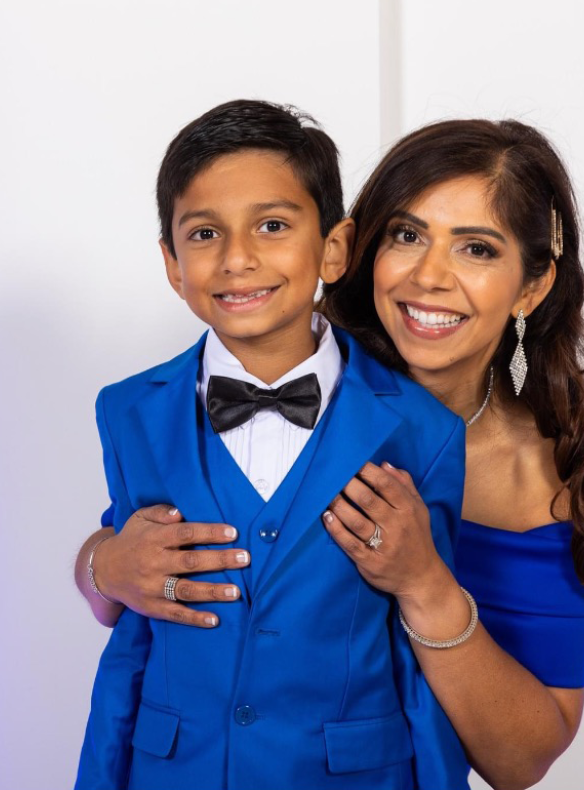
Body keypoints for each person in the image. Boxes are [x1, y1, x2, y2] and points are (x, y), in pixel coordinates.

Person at [75, 118, 584, 790]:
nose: (430, 275)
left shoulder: (537, 476)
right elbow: (134, 551)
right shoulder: (278, 345)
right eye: (406, 235)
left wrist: (427, 584)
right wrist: (100, 565)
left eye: (477, 249)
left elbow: (521, 760)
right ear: (354, 249)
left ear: (530, 285)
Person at [75, 100, 472, 790]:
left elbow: (418, 654)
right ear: (172, 262)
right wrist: (106, 563)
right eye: (203, 233)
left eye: (272, 225)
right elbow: (128, 618)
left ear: (334, 247)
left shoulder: (422, 429)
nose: (237, 258)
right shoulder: (128, 412)